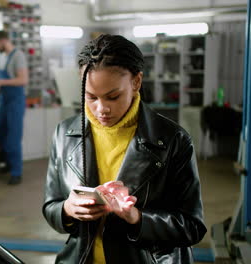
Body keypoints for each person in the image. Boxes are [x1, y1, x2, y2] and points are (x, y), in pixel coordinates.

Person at [42, 34, 206, 263]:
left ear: (136, 82)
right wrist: (67, 209)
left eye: (113, 97)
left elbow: (192, 227)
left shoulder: (172, 140)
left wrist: (137, 217)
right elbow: (51, 206)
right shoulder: (65, 134)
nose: (102, 109)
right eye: (90, 97)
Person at [0, 30, 28, 185]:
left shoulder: (18, 56)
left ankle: (16, 173)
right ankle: (8, 164)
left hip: (15, 100)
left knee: (13, 138)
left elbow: (23, 80)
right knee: (0, 132)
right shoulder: (2, 57)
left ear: (3, 41)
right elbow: (2, 77)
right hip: (4, 99)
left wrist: (0, 82)